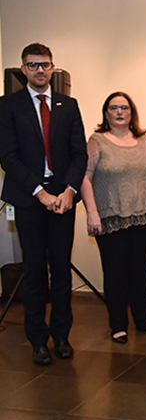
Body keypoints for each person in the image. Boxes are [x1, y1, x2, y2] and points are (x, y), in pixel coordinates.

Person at [0, 43, 87, 365]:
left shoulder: (69, 105)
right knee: (35, 272)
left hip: (63, 198)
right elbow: (8, 157)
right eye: (33, 65)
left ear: (52, 68)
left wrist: (68, 191)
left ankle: (61, 336)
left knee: (62, 271)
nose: (40, 70)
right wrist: (41, 193)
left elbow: (80, 153)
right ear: (23, 69)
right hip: (30, 199)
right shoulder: (8, 106)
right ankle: (37, 340)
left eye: (45, 65)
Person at [80, 92, 146, 344]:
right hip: (111, 218)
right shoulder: (97, 141)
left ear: (131, 112)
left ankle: (143, 318)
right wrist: (92, 212)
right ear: (106, 113)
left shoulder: (144, 140)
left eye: (124, 107)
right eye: (113, 107)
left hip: (144, 217)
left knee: (140, 271)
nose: (119, 112)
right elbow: (84, 177)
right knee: (116, 273)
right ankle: (118, 324)